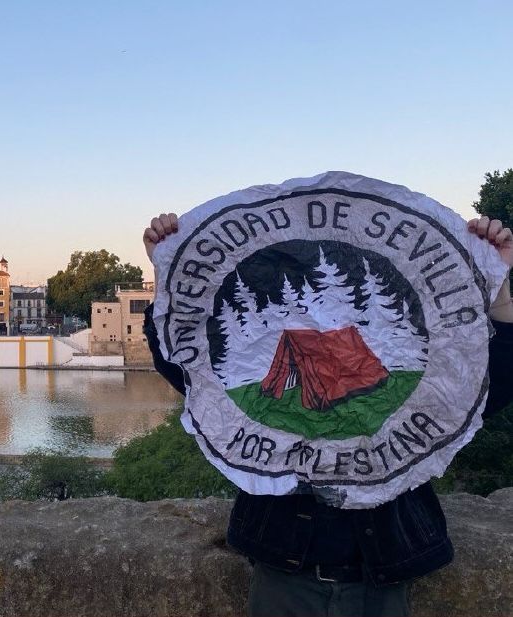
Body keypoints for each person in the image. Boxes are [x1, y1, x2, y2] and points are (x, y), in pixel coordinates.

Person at [141, 213, 513, 617]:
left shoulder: (403, 381)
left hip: (379, 574)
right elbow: (189, 372)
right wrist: (168, 267)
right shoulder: (288, 370)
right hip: (284, 571)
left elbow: (490, 387)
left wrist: (499, 282)